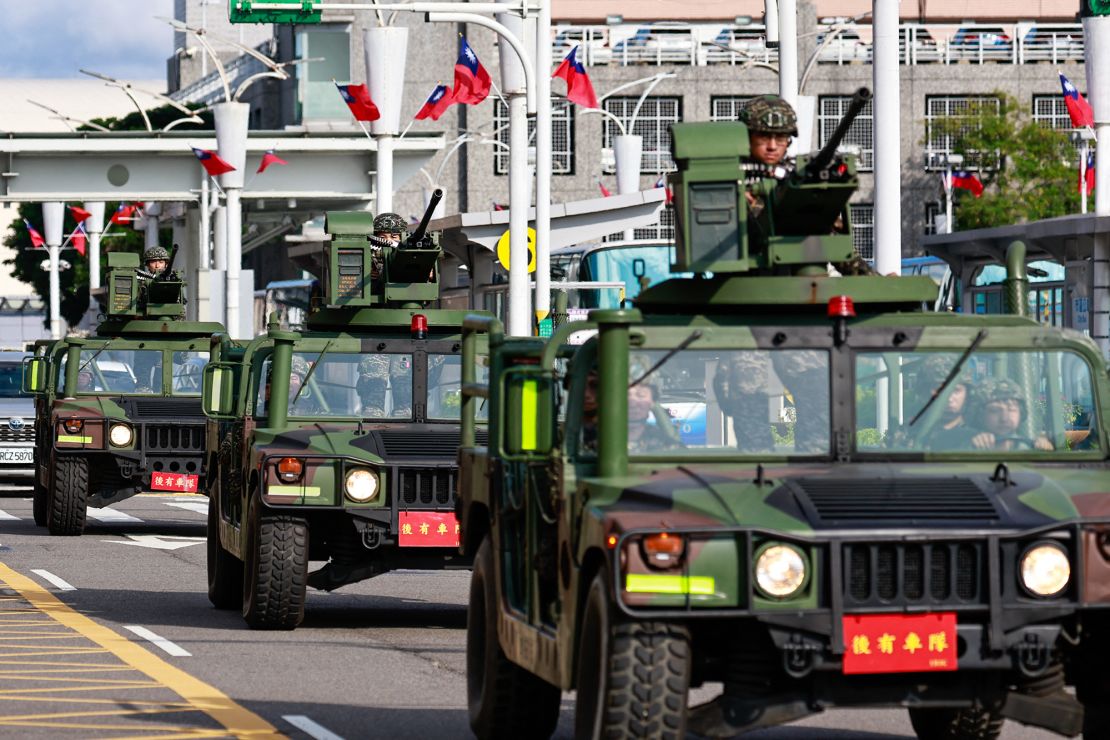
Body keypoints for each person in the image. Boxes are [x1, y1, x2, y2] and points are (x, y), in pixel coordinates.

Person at [967, 378, 1053, 451]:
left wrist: (1045, 452)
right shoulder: (966, 445)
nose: (1004, 418)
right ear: (980, 415)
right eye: (995, 410)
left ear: (1021, 413)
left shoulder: (1029, 448)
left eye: (1012, 410)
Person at [713, 352, 774, 452]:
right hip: (758, 400)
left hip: (743, 400)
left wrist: (726, 405)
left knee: (748, 444)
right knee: (762, 442)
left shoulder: (733, 348)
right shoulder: (761, 349)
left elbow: (720, 377)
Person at [914, 356, 976, 450]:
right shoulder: (908, 434)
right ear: (925, 393)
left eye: (956, 390)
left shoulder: (978, 437)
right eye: (940, 390)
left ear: (967, 394)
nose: (949, 398)